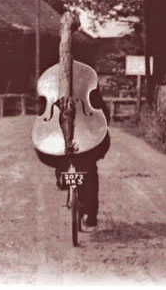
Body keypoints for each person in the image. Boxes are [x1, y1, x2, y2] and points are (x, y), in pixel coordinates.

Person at [36, 88, 110, 230]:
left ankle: (62, 178)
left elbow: (40, 108)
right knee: (89, 169)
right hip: (84, 131)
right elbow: (101, 108)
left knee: (64, 155)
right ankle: (92, 215)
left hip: (72, 132)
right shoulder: (86, 78)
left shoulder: (79, 77)